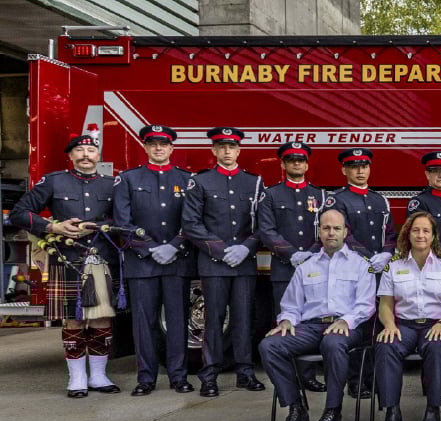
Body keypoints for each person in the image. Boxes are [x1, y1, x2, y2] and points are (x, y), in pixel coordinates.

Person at [11, 134, 120, 398]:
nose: (85, 155)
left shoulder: (113, 184)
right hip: (66, 258)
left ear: (98, 156)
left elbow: (125, 216)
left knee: (101, 317)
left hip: (102, 258)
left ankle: (98, 376)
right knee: (73, 319)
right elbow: (19, 212)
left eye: (90, 150)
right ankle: (77, 378)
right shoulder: (54, 181)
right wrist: (52, 226)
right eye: (79, 150)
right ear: (70, 156)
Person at [260, 209, 377, 421]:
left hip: (347, 327)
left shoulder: (361, 265)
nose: (331, 232)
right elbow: (292, 305)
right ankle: (296, 409)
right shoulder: (307, 266)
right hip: (311, 327)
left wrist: (345, 320)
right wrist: (286, 320)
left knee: (333, 343)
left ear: (345, 232)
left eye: (336, 228)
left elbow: (366, 305)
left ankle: (332, 411)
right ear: (319, 231)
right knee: (269, 346)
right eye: (326, 228)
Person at [181, 127, 266, 397]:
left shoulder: (253, 182)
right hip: (214, 263)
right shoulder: (201, 182)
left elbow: (263, 224)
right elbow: (191, 223)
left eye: (232, 147)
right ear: (213, 151)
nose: (227, 151)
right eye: (222, 147)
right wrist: (220, 250)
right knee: (214, 320)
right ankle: (209, 376)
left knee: (243, 320)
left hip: (244, 263)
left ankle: (245, 372)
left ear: (239, 151)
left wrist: (246, 248)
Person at [113, 124, 197, 396]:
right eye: (153, 144)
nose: (158, 148)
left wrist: (174, 246)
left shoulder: (187, 180)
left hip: (177, 261)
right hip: (142, 263)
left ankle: (178, 376)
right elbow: (122, 222)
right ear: (145, 148)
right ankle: (145, 378)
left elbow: (193, 220)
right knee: (144, 324)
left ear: (172, 148)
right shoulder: (128, 179)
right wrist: (149, 248)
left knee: (177, 322)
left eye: (163, 144)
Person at [375, 211, 441, 421]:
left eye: (425, 231)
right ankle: (392, 412)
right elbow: (385, 304)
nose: (420, 235)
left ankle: (433, 410)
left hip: (436, 323)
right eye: (415, 230)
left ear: (433, 236)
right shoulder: (393, 265)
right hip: (404, 325)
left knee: (437, 347)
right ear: (408, 234)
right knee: (386, 347)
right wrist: (390, 325)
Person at [257, 141, 329, 394]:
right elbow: (266, 230)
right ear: (283, 164)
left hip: (314, 269)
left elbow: (327, 229)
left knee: (309, 322)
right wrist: (290, 253)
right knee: (286, 322)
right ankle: (288, 377)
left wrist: (309, 254)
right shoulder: (271, 194)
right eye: (291, 160)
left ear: (307, 164)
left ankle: (307, 376)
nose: (296, 164)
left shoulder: (320, 196)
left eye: (300, 160)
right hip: (284, 269)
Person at [326, 146, 397, 398]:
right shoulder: (337, 200)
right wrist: (368, 257)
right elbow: (342, 233)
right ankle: (355, 381)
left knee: (377, 325)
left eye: (364, 166)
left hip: (378, 272)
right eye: (354, 166)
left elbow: (390, 232)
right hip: (352, 270)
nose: (360, 171)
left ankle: (373, 378)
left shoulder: (380, 200)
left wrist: (387, 252)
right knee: (356, 324)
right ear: (344, 169)